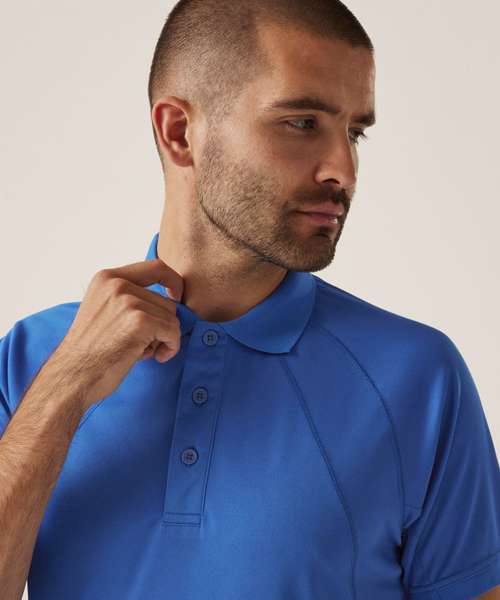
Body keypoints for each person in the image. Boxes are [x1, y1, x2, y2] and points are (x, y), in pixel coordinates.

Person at [0, 1, 499, 599]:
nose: (343, 169)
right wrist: (67, 385)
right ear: (179, 132)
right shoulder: (31, 358)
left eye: (355, 132)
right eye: (302, 122)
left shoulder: (419, 377)